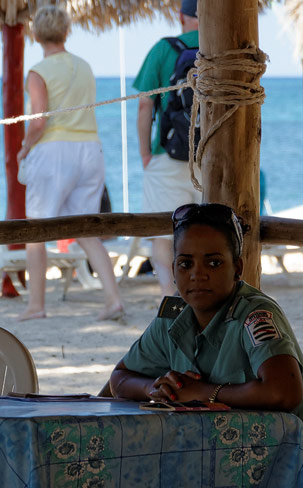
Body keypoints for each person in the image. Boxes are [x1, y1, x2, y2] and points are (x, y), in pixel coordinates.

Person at [109, 203, 303, 488]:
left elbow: (285, 392)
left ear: (238, 267)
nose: (198, 274)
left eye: (214, 262)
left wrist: (205, 393)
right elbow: (119, 379)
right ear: (173, 269)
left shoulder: (254, 315)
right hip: (210, 485)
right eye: (185, 263)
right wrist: (154, 388)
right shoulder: (173, 315)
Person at [16, 5, 123, 322]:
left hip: (55, 150)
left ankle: (36, 305)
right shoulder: (84, 66)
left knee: (36, 231)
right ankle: (113, 299)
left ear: (36, 34)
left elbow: (39, 120)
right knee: (86, 230)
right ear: (66, 31)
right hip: (90, 149)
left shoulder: (39, 71)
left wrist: (24, 147)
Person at [133, 0, 202, 297]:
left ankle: (170, 297)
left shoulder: (164, 49)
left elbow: (145, 106)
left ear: (180, 16)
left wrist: (145, 154)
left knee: (163, 233)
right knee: (211, 229)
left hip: (168, 154)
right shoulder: (223, 48)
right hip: (212, 157)